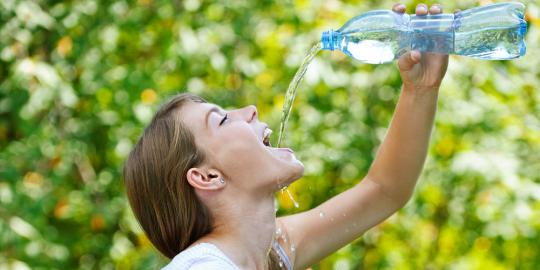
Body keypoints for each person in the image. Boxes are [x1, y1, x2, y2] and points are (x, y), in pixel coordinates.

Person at [123, 3, 449, 269]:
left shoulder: (271, 252)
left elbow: (384, 191)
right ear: (207, 176)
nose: (249, 110)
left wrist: (420, 89)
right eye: (221, 120)